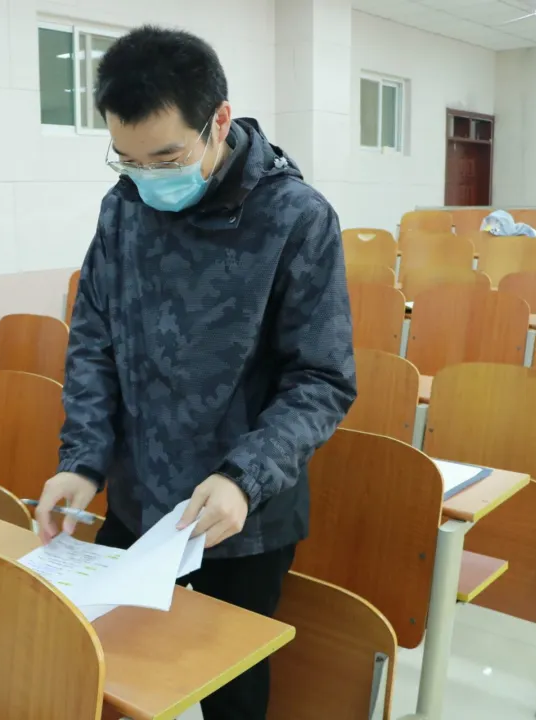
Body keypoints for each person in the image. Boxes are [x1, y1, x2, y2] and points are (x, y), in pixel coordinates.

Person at [33, 26, 357, 720]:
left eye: (167, 157)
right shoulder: (123, 205)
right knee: (109, 675)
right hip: (135, 500)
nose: (148, 178)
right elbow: (93, 339)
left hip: (238, 518)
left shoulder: (296, 218)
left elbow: (322, 379)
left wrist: (244, 479)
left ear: (219, 121)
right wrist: (83, 459)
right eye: (126, 160)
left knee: (230, 695)